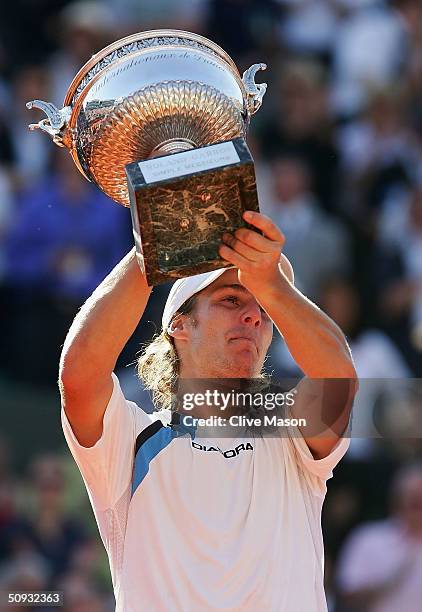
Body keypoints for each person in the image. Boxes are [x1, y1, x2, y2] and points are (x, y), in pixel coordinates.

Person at [59, 210, 357, 611]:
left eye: (265, 308)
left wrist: (270, 283)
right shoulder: (133, 439)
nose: (254, 315)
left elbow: (338, 379)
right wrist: (152, 238)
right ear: (180, 326)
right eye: (231, 299)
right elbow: (80, 376)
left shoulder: (290, 432)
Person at [335, 461, 422, 612]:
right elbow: (346, 595)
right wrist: (387, 582)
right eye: (415, 502)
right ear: (398, 500)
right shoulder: (368, 538)